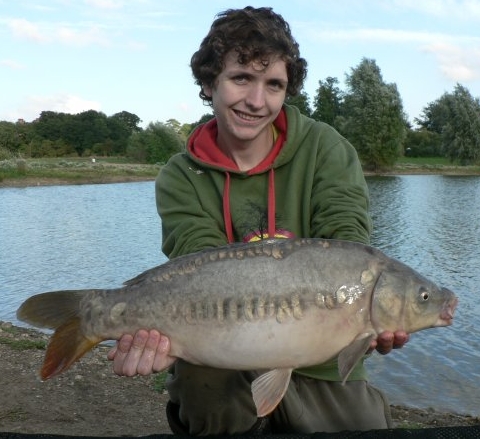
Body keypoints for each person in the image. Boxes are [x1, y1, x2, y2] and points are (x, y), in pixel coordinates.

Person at [108, 6, 409, 435]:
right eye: (241, 78)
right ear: (210, 82)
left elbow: (348, 243)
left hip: (321, 358)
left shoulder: (326, 148)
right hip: (222, 352)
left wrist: (370, 314)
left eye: (274, 85)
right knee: (203, 388)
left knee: (362, 426)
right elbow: (197, 268)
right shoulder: (180, 175)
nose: (256, 101)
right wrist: (150, 331)